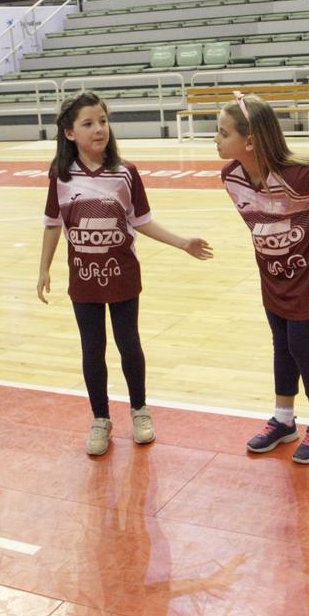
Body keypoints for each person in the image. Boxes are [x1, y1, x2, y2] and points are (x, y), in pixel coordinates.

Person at [37, 92, 211, 457]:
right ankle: (100, 418)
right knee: (92, 348)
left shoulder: (125, 172)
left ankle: (139, 409)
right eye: (88, 123)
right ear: (69, 133)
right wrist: (44, 269)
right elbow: (53, 225)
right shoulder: (61, 175)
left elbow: (142, 220)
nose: (98, 128)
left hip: (122, 274)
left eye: (102, 120)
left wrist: (182, 243)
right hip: (82, 277)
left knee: (128, 342)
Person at [215, 94, 309, 465]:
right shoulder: (230, 177)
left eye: (222, 132)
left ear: (249, 141)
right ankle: (283, 419)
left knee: (301, 344)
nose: (216, 139)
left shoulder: (297, 175)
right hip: (272, 273)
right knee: (281, 344)